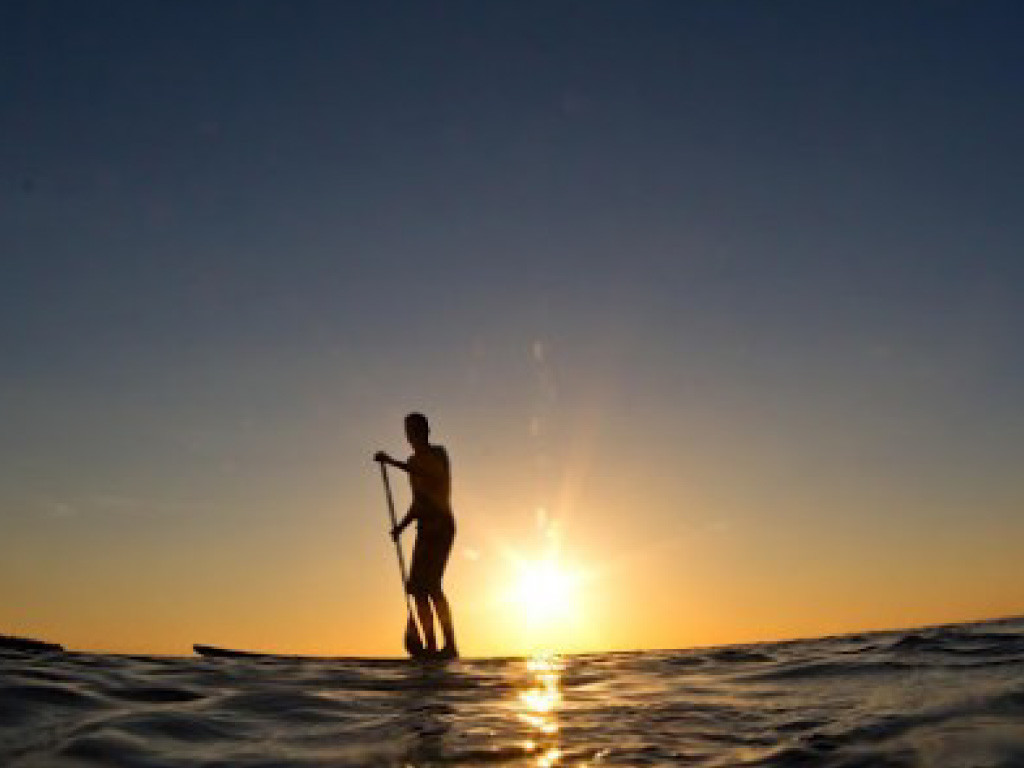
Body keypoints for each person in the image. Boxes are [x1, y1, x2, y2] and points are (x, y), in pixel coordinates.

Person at [374, 413, 458, 659]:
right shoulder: (412, 461)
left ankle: (450, 645)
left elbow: (434, 477)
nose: (411, 435)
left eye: (415, 429)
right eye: (408, 430)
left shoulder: (438, 455)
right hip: (423, 527)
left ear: (426, 430)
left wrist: (392, 463)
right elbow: (418, 501)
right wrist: (401, 526)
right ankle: (430, 646)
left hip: (441, 526)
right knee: (417, 589)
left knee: (432, 585)